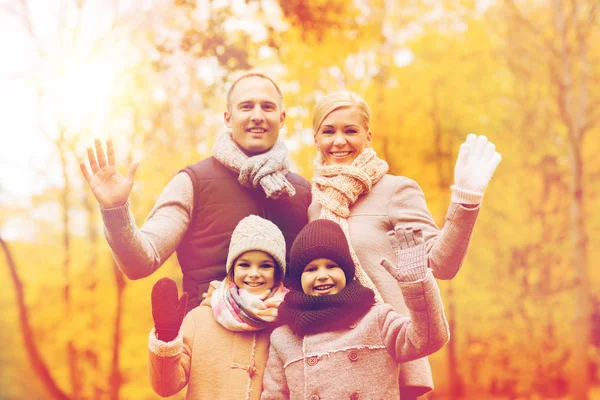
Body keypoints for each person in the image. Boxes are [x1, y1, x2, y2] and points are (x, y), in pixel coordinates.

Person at [308, 90, 501, 397]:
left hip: (390, 354)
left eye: (350, 130)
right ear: (316, 139)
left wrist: (465, 200)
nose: (339, 141)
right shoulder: (316, 206)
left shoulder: (395, 190)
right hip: (334, 362)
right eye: (329, 131)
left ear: (368, 137)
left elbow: (442, 264)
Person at [80, 73, 311, 310]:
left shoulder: (302, 192)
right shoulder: (193, 183)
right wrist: (115, 210)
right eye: (246, 106)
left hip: (284, 342)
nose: (257, 116)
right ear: (228, 118)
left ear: (282, 118)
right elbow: (140, 263)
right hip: (210, 338)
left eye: (267, 107)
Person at [261, 219, 450, 399]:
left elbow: (430, 339)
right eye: (311, 269)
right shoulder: (283, 337)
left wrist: (417, 286)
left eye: (331, 266)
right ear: (299, 279)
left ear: (346, 272)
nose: (322, 275)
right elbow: (273, 396)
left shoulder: (377, 318)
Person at [148, 215, 289, 399]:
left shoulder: (287, 323)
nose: (254, 273)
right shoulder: (199, 319)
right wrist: (166, 336)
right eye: (244, 265)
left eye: (265, 266)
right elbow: (165, 388)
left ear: (278, 272)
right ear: (232, 269)